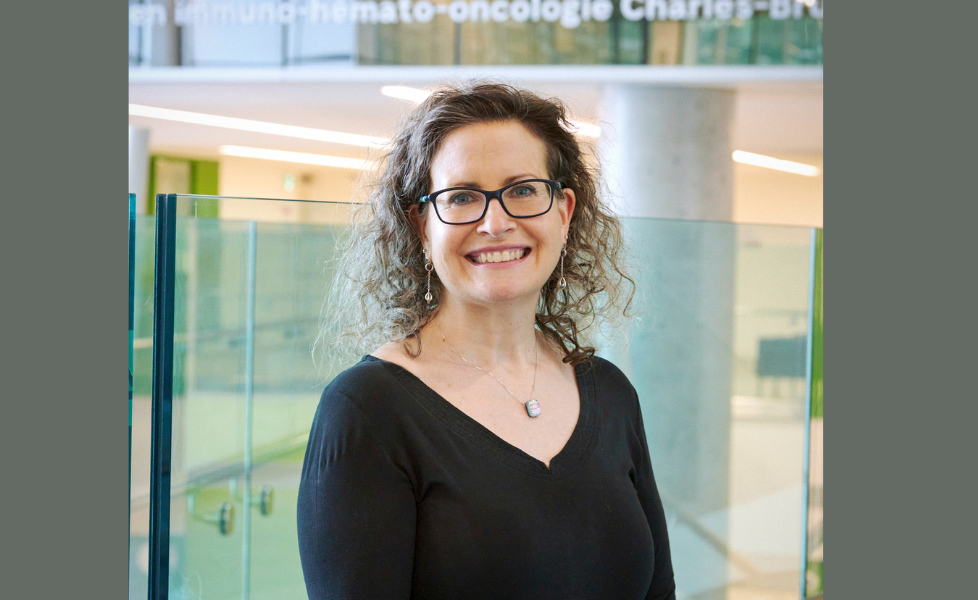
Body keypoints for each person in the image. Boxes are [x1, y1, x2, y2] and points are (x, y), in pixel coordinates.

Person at [298, 82, 676, 600]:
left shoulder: (609, 392)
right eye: (461, 197)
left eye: (522, 191)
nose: (495, 223)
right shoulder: (367, 410)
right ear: (422, 226)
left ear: (563, 211)